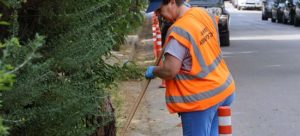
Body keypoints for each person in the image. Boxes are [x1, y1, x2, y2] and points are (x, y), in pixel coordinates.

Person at [144, 0, 236, 136]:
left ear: (172, 2)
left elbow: (170, 70)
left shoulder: (179, 31)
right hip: (223, 88)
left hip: (200, 100)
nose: (158, 15)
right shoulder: (202, 13)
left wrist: (155, 70)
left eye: (159, 9)